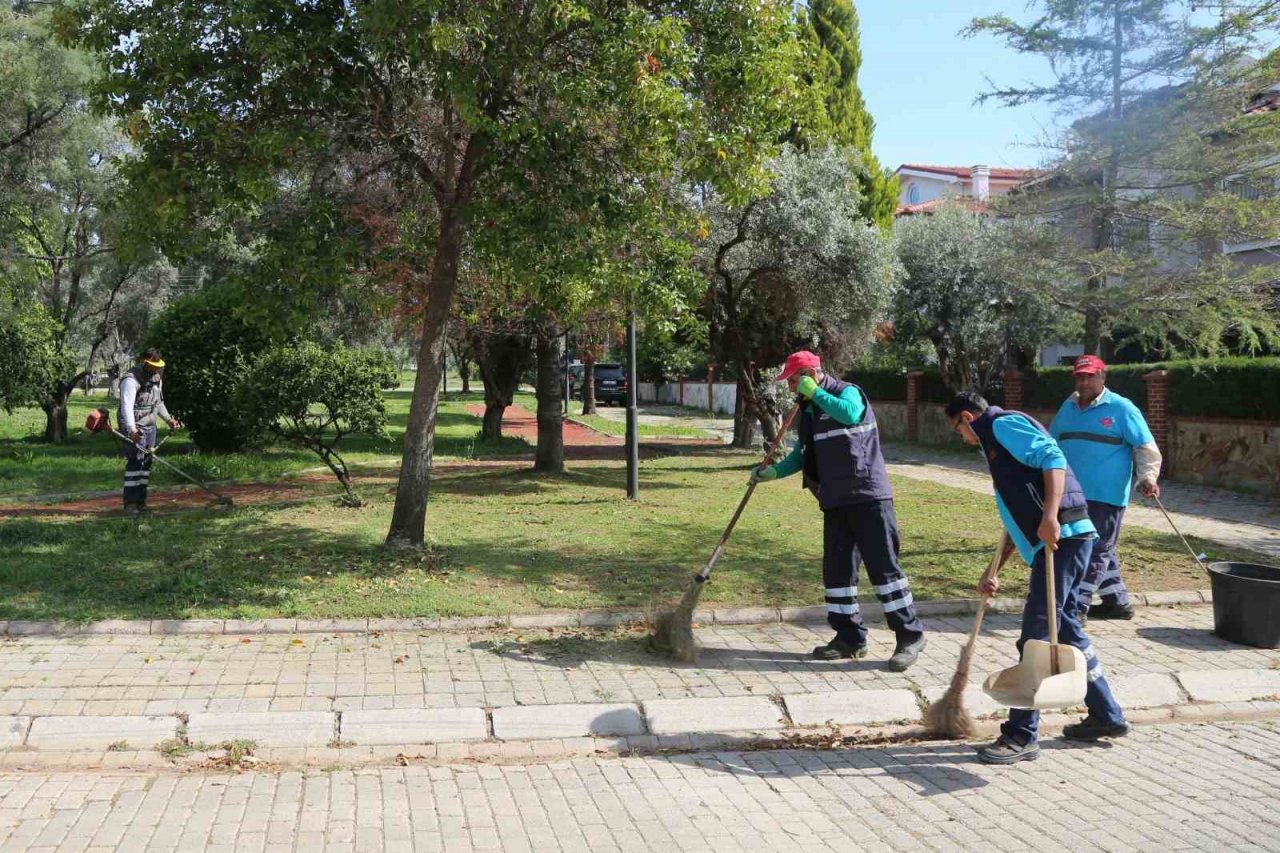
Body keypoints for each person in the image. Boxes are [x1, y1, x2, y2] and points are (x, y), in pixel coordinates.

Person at [945, 391, 1128, 765]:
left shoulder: (1000, 424)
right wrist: (993, 570)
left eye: (957, 430)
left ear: (967, 417)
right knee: (1067, 631)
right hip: (1063, 542)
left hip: (1064, 539)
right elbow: (1016, 520)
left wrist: (1050, 518)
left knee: (1036, 635)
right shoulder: (998, 446)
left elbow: (1054, 458)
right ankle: (1107, 714)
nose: (961, 438)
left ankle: (1021, 735)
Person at [751, 351, 927, 672]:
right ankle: (849, 638)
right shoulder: (809, 413)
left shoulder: (846, 392)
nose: (790, 388)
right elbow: (803, 456)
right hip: (835, 501)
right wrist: (772, 473)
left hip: (869, 497)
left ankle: (909, 636)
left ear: (810, 374)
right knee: (838, 574)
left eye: (793, 380)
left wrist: (815, 393)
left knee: (884, 571)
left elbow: (850, 414)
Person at [1051, 355, 1162, 623]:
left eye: (1090, 375)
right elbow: (1052, 445)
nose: (1084, 381)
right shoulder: (1067, 407)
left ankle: (1077, 607)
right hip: (1072, 494)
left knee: (1095, 549)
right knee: (1096, 547)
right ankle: (1117, 602)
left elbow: (1146, 448)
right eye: (1080, 376)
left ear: (1103, 376)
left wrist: (1147, 477)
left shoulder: (1122, 409)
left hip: (1106, 495)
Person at [118, 348, 181, 514]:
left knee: (146, 463)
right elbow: (126, 407)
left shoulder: (157, 378)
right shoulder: (130, 381)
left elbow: (158, 403)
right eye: (152, 365)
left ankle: (141, 502)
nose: (155, 369)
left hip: (150, 426)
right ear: (144, 362)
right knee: (135, 463)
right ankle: (130, 504)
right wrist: (132, 430)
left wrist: (169, 420)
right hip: (134, 426)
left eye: (157, 365)